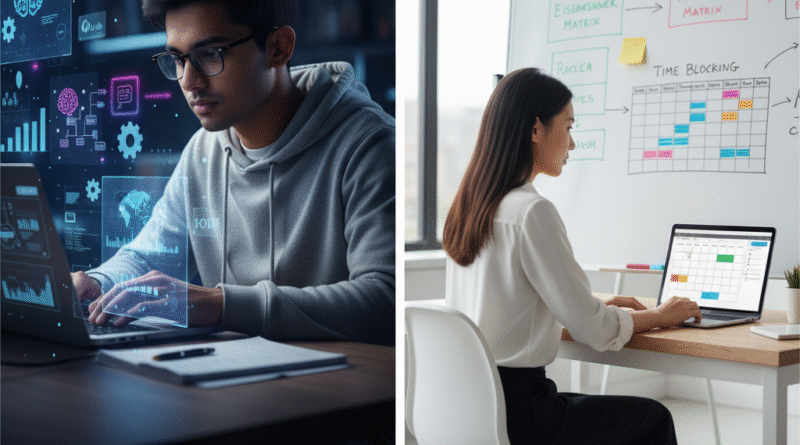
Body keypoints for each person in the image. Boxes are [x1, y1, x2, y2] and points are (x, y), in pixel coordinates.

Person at [70, 0, 395, 345]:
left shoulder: (368, 143)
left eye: (210, 54)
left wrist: (220, 305)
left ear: (278, 47)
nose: (188, 81)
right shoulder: (202, 151)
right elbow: (149, 255)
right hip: (231, 385)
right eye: (177, 59)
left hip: (339, 387)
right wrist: (100, 282)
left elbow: (384, 300)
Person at [442, 68, 702, 444]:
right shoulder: (531, 212)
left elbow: (507, 313)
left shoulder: (468, 208)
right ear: (535, 130)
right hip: (521, 416)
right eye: (568, 126)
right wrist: (661, 315)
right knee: (653, 418)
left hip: (469, 408)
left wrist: (588, 307)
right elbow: (595, 331)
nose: (573, 143)